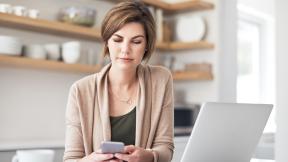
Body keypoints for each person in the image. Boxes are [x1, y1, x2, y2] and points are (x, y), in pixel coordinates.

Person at [63, 1, 174, 162]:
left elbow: (166, 148)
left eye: (136, 41)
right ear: (107, 42)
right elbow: (71, 159)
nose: (125, 49)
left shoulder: (160, 79)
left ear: (146, 46)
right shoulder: (80, 90)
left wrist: (150, 156)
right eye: (117, 40)